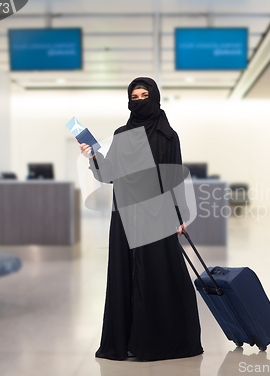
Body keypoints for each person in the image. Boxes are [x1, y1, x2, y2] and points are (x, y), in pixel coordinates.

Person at [79, 77, 203, 361]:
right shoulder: (122, 134)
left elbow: (175, 175)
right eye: (134, 96)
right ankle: (130, 341)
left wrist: (181, 215)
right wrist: (93, 156)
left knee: (158, 274)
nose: (139, 100)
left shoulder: (167, 135)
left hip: (157, 215)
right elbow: (108, 174)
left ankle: (159, 342)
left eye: (144, 95)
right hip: (125, 214)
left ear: (155, 97)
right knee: (127, 274)